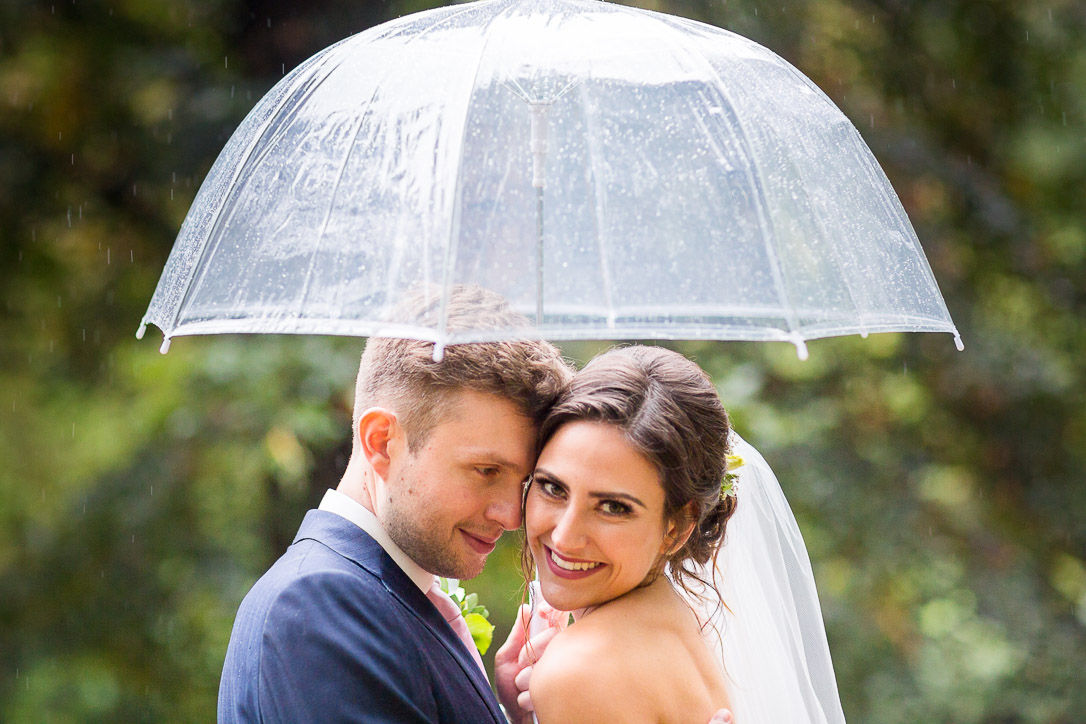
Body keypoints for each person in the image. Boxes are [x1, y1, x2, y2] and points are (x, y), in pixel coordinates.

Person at [217, 285, 573, 722]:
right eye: (486, 471)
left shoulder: (384, 595)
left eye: (523, 481)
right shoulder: (317, 607)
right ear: (382, 442)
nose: (512, 516)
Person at [520, 346, 846, 723]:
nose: (563, 537)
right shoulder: (680, 620)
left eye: (613, 507)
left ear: (676, 527)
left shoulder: (577, 670)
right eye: (552, 488)